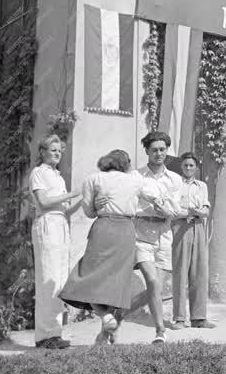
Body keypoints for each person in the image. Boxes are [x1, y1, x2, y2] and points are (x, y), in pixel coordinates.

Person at [59, 149, 177, 346]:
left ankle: (104, 316)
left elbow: (88, 212)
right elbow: (156, 198)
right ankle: (110, 322)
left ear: (106, 161)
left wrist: (98, 206)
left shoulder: (93, 178)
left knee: (87, 276)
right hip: (126, 231)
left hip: (103, 227)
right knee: (117, 281)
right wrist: (166, 209)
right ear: (126, 164)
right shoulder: (136, 181)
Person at [128, 131, 185, 339]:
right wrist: (154, 206)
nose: (158, 154)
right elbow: (132, 204)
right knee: (152, 281)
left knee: (157, 287)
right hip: (142, 233)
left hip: (165, 234)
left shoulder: (175, 179)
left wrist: (167, 210)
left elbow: (175, 209)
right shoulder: (136, 176)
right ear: (146, 151)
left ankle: (118, 314)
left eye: (162, 149)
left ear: (167, 151)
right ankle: (160, 330)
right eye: (154, 150)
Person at [28, 135, 81, 349]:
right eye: (53, 149)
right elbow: (43, 202)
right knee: (48, 279)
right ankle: (44, 336)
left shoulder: (58, 177)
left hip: (60, 225)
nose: (57, 153)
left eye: (60, 150)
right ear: (42, 152)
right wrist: (72, 193)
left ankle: (55, 334)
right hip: (47, 224)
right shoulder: (38, 173)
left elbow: (65, 210)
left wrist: (82, 200)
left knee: (59, 281)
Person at [170, 152, 215, 330]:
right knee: (180, 272)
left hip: (198, 228)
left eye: (191, 165)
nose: (188, 168)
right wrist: (193, 210)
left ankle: (199, 318)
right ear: (181, 167)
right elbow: (174, 209)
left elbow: (205, 210)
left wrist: (193, 210)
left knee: (199, 272)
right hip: (180, 228)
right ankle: (180, 318)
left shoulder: (201, 186)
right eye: (185, 165)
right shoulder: (175, 185)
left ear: (196, 168)